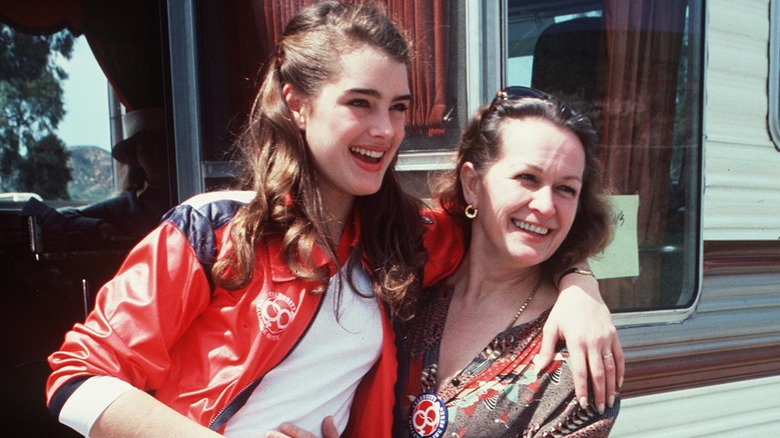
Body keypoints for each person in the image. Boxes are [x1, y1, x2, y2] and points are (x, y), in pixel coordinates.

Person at [45, 3, 621, 437]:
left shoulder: (407, 241)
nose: (386, 130)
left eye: (398, 107)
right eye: (360, 103)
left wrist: (580, 287)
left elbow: (520, 222)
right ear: (297, 104)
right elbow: (75, 380)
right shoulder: (214, 229)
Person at [396, 87, 620, 437]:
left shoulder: (576, 356)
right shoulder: (406, 285)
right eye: (527, 178)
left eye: (566, 189)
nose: (546, 206)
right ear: (472, 185)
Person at [21, 107, 172, 241]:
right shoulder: (128, 205)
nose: (158, 156)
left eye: (163, 146)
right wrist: (98, 226)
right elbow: (56, 217)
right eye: (148, 150)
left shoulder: (191, 196)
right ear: (136, 159)